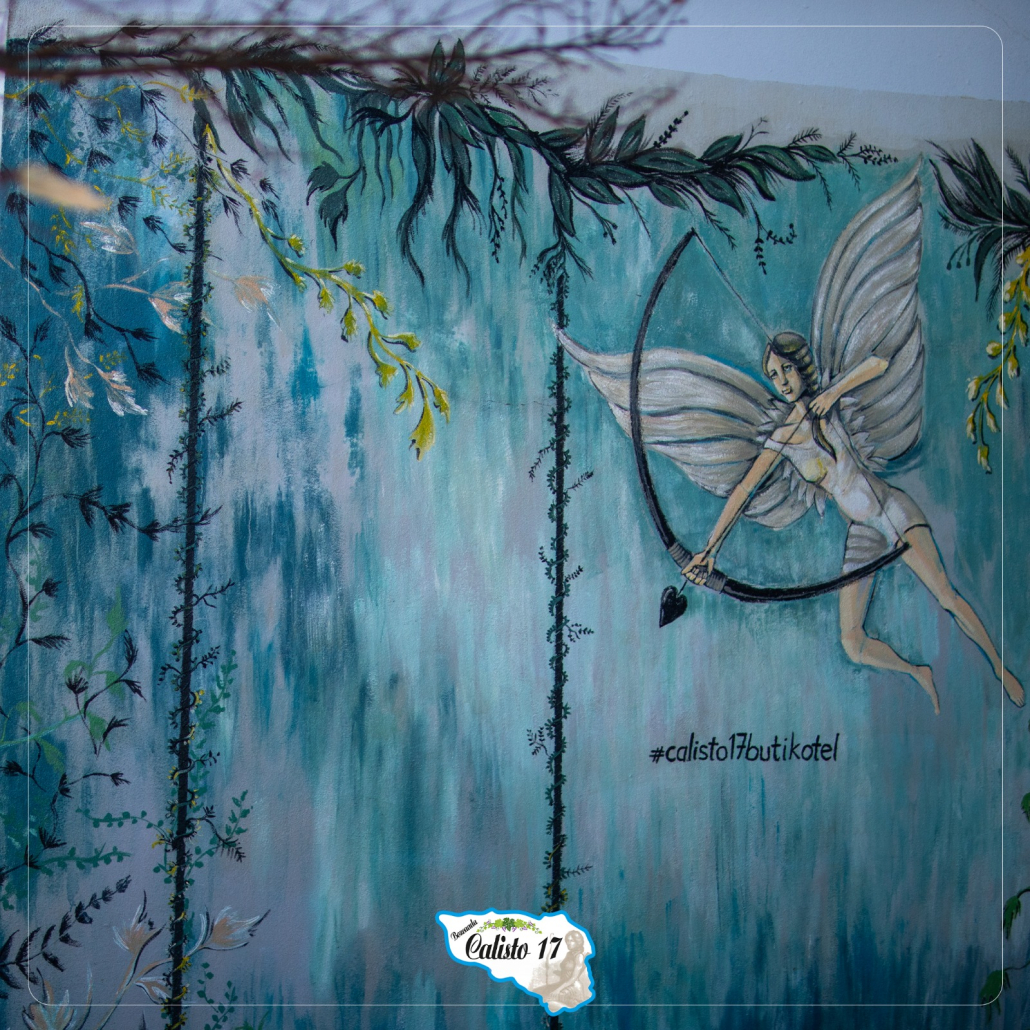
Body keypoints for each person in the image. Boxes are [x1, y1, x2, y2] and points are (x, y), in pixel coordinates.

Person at [681, 331, 1024, 714]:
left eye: (787, 369)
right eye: (774, 375)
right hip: (863, 533)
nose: (782, 381)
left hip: (891, 510)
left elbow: (878, 363)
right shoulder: (782, 438)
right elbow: (745, 489)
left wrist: (833, 392)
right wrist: (709, 551)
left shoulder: (829, 405)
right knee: (852, 642)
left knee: (946, 596)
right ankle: (916, 671)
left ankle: (1000, 669)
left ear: (803, 367)